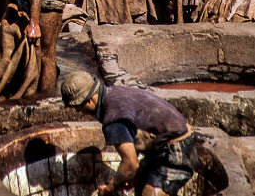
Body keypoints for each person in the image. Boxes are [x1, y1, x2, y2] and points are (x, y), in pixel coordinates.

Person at [60, 71, 198, 196]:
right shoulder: (114, 92)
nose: (79, 112)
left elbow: (131, 164)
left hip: (177, 150)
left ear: (89, 100)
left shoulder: (113, 120)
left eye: (77, 107)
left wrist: (111, 187)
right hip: (165, 145)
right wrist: (125, 177)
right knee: (139, 179)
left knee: (150, 193)